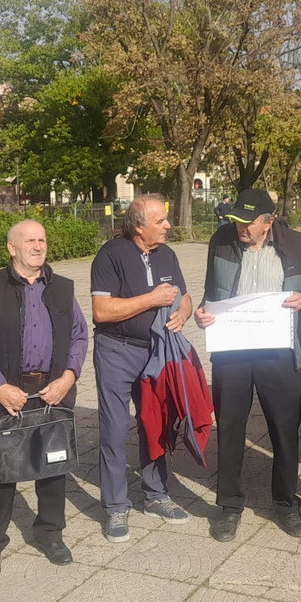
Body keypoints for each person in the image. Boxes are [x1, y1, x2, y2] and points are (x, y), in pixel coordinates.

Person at [0, 220, 88, 578]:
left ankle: (50, 534)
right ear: (12, 248)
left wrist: (68, 376)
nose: (38, 246)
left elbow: (79, 336)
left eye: (42, 239)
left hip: (52, 392)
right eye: (30, 240)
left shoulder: (62, 287)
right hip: (5, 395)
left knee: (53, 468)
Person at [194, 189, 301, 542]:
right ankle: (229, 505)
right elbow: (211, 291)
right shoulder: (221, 241)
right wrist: (203, 313)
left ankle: (286, 503)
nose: (241, 228)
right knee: (230, 427)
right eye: (237, 221)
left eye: (248, 223)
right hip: (232, 349)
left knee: (285, 428)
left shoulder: (296, 244)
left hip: (278, 350)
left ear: (269, 221)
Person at [91, 195, 192, 542]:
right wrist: (152, 299)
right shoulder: (110, 255)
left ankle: (156, 495)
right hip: (116, 351)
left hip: (156, 352)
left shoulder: (167, 254)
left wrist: (183, 313)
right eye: (160, 221)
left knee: (155, 424)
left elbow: (183, 295)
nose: (167, 225)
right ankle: (115, 506)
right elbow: (102, 311)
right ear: (138, 226)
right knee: (114, 429)